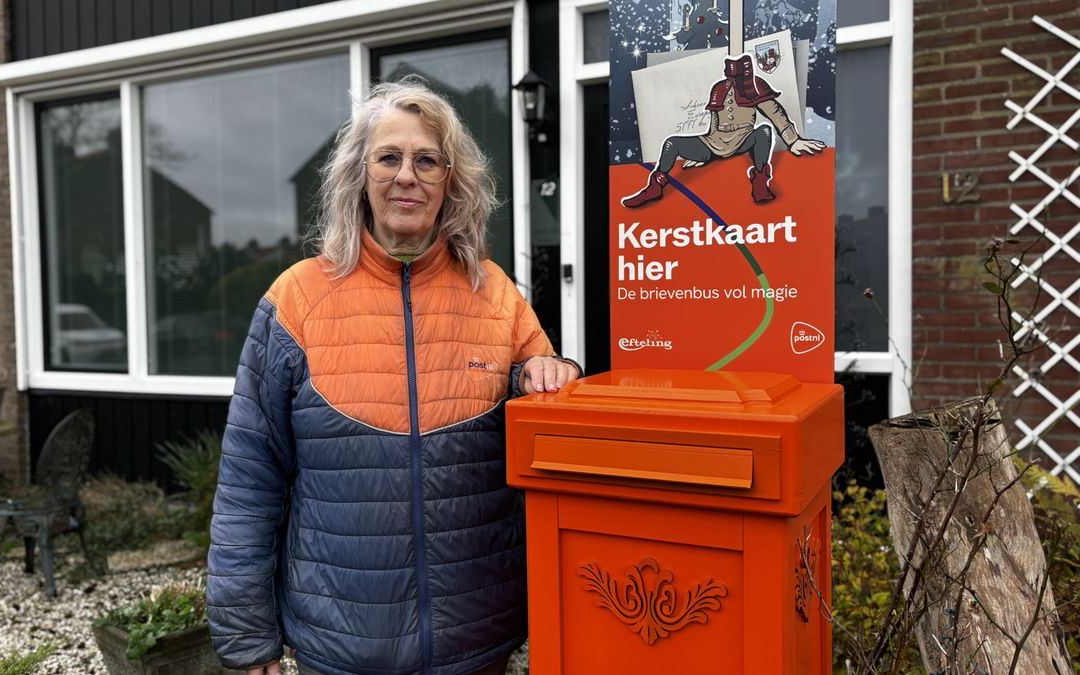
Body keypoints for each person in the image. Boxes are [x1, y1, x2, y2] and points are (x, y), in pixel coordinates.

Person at [206, 78, 581, 675]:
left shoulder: (498, 295)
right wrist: (247, 637)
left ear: (449, 184)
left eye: (427, 160)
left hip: (477, 642)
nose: (408, 175)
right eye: (389, 157)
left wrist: (548, 371)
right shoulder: (296, 301)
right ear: (359, 176)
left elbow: (544, 406)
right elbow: (250, 482)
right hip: (341, 648)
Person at [621, 54, 826, 206]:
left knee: (764, 131)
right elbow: (714, 120)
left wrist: (793, 140)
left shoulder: (753, 86)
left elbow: (775, 113)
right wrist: (701, 153)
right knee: (671, 143)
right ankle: (655, 187)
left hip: (744, 137)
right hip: (714, 142)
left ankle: (760, 181)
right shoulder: (719, 88)